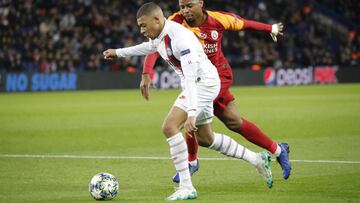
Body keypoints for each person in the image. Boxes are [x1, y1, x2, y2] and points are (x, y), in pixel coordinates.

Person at [103, 2, 273, 201]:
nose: (141, 30)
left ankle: (186, 186)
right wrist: (118, 52)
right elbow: (148, 48)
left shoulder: (181, 38)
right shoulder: (161, 35)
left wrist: (191, 113)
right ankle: (257, 159)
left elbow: (192, 79)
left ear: (157, 20)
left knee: (169, 126)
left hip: (203, 84)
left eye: (143, 25)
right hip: (200, 84)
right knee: (206, 139)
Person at [140, 0, 291, 183]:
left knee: (189, 112)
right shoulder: (175, 22)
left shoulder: (218, 19)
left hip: (217, 76)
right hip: (197, 78)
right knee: (233, 122)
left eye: (189, 6)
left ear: (200, 3)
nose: (185, 11)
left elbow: (245, 24)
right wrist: (147, 72)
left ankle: (191, 161)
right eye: (182, 7)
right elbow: (156, 44)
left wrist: (270, 28)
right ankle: (278, 149)